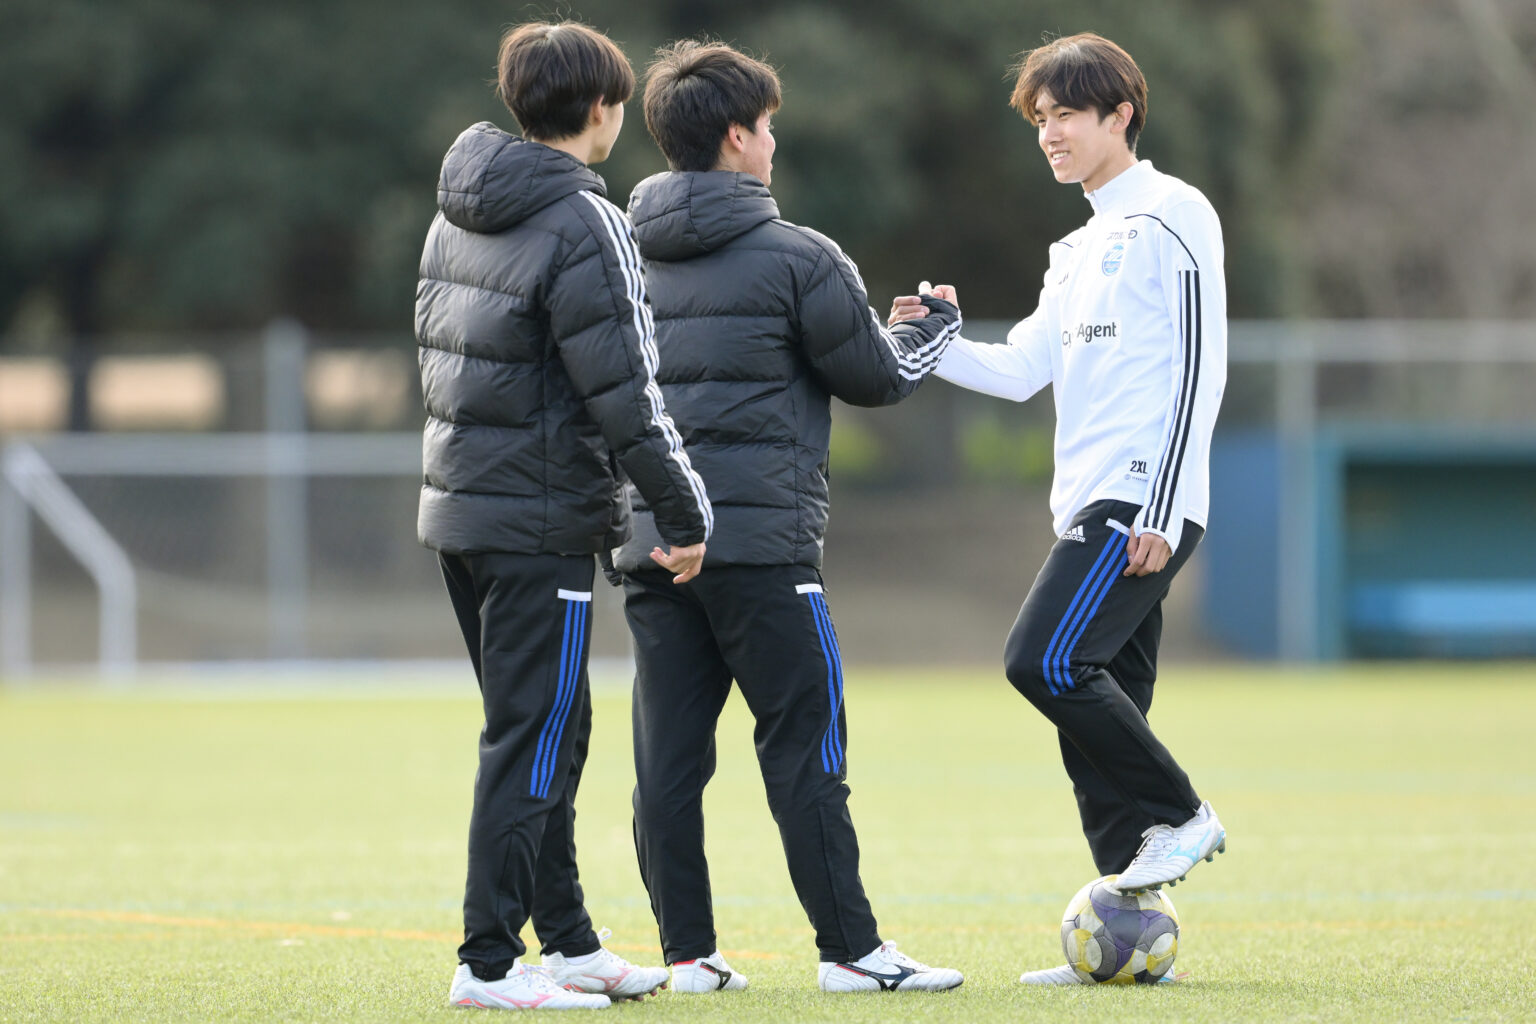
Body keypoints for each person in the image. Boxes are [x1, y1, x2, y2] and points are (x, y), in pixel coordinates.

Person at [610, 40, 965, 995]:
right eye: (767, 127)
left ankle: (688, 957)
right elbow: (877, 377)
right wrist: (928, 328)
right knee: (807, 750)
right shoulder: (800, 255)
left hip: (653, 547)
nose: (773, 143)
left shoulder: (618, 254)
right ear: (737, 137)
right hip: (764, 552)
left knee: (667, 765)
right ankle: (851, 952)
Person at [890, 32, 1229, 985]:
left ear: (1122, 115)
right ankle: (1125, 940)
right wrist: (938, 341)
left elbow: (1201, 365)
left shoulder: (1175, 213)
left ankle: (1185, 815)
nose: (1050, 133)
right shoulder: (1074, 248)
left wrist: (1162, 502)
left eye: (1068, 114)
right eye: (1041, 118)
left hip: (1140, 497)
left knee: (1041, 661)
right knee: (1095, 716)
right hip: (1088, 499)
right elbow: (1019, 371)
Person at [415, 20, 714, 1010]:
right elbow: (628, 388)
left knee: (549, 728)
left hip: (463, 509)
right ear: (601, 108)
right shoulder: (586, 217)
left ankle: (572, 944)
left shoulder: (456, 211)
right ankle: (488, 963)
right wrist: (684, 510)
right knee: (535, 734)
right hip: (537, 520)